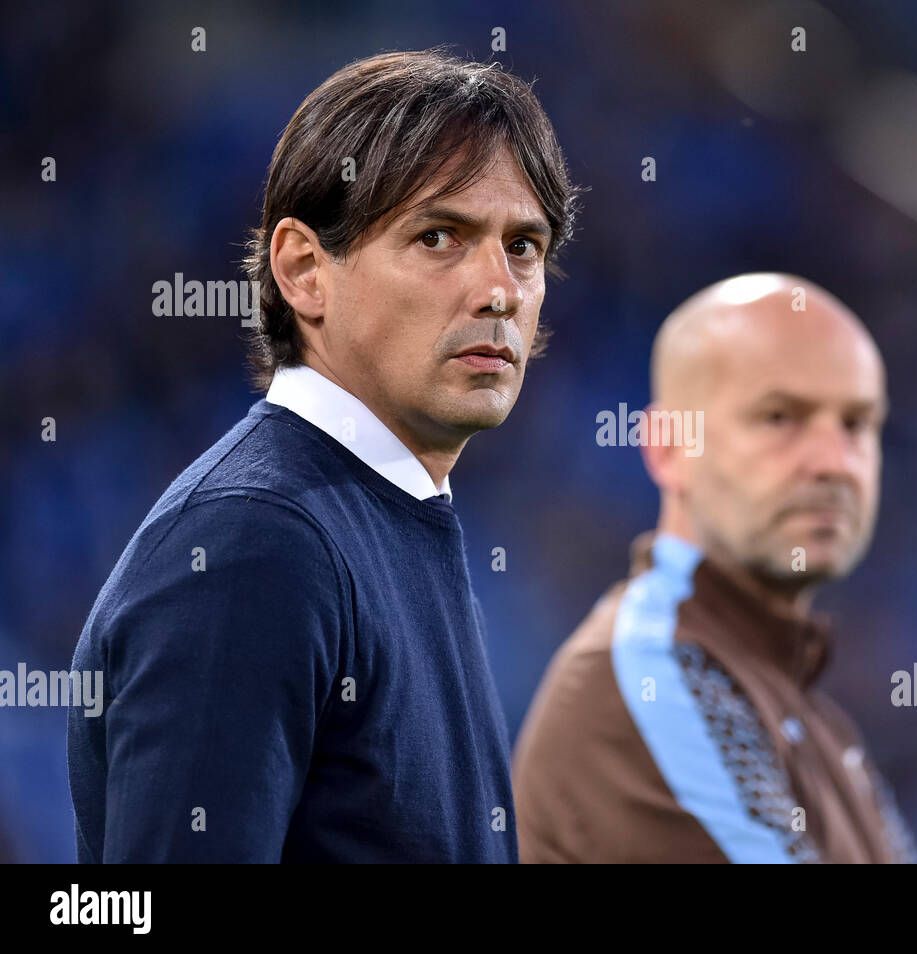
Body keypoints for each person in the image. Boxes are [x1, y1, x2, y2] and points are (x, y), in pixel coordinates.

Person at [68, 49, 578, 862]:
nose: (500, 290)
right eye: (440, 235)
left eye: (523, 245)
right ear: (304, 271)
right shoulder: (254, 546)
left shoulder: (385, 516)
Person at [512, 273, 917, 863]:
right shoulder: (652, 672)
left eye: (856, 424)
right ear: (669, 447)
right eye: (780, 417)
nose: (834, 462)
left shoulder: (819, 721)